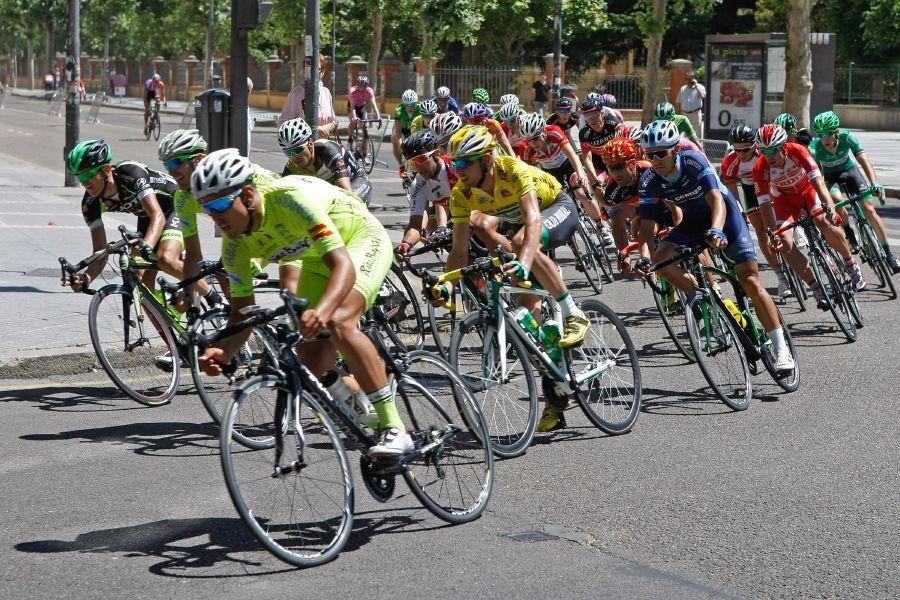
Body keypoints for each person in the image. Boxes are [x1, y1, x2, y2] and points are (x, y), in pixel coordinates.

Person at [193, 149, 410, 456]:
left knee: (339, 321)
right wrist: (224, 349)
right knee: (310, 359)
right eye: (207, 208)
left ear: (248, 194)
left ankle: (395, 429)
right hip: (317, 261)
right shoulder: (234, 246)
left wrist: (321, 312)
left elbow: (344, 266)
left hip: (360, 238)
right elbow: (241, 312)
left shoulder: (289, 199)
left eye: (219, 205)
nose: (215, 216)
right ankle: (364, 408)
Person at [438, 125, 591, 432]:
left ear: (487, 160)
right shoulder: (461, 194)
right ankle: (556, 394)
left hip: (555, 208)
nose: (459, 171)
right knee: (528, 324)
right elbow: (458, 250)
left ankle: (573, 311)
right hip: (520, 223)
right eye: (455, 164)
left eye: (465, 163)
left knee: (522, 244)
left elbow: (533, 220)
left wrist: (523, 262)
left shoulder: (513, 170)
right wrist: (446, 284)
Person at [635, 120, 796, 375]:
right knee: (661, 259)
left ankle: (781, 349)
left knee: (750, 281)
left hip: (725, 217)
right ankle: (707, 301)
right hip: (693, 223)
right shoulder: (647, 180)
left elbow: (716, 200)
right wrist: (643, 258)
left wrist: (718, 229)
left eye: (661, 153)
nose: (656, 160)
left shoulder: (693, 161)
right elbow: (646, 228)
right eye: (650, 155)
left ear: (675, 149)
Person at [156, 128, 284, 301]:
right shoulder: (183, 198)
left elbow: (271, 224)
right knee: (228, 277)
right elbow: (193, 255)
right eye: (166, 165)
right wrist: (188, 294)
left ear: (198, 159)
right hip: (244, 228)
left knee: (292, 291)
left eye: (175, 163)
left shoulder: (232, 180)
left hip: (281, 221)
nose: (170, 172)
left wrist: (258, 259)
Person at [753, 123, 866, 309]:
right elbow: (765, 204)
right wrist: (772, 232)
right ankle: (816, 287)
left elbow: (819, 184)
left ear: (782, 146)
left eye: (773, 150)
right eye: (763, 151)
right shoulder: (761, 168)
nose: (769, 156)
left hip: (808, 192)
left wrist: (830, 210)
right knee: (784, 242)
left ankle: (850, 263)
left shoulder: (798, 151)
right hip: (786, 201)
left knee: (823, 221)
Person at [64, 139, 184, 294]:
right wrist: (86, 278)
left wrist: (145, 247)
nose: (84, 182)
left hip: (175, 204)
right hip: (147, 216)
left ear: (106, 169)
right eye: (80, 177)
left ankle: (210, 295)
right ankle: (164, 316)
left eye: (88, 175)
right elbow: (100, 252)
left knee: (165, 259)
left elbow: (157, 216)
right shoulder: (90, 203)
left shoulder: (130, 173)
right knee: (141, 280)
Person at [808, 110, 900, 272]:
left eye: (828, 133)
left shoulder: (847, 137)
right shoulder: (815, 147)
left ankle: (888, 254)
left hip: (850, 172)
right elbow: (817, 175)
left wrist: (874, 182)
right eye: (820, 134)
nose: (825, 138)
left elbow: (864, 161)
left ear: (836, 131)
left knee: (870, 210)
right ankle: (849, 232)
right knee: (836, 199)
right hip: (831, 178)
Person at [720, 125, 792, 299]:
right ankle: (781, 277)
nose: (741, 154)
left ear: (754, 146)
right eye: (737, 150)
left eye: (745, 150)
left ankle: (791, 254)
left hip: (771, 184)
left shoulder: (764, 155)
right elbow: (733, 195)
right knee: (762, 232)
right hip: (750, 191)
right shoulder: (729, 163)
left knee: (779, 226)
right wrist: (740, 212)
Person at [518, 112, 602, 222]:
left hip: (567, 164)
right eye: (528, 140)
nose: (533, 143)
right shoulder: (525, 148)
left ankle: (601, 227)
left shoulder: (554, 132)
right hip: (549, 173)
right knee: (557, 205)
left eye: (536, 138)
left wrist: (581, 174)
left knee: (582, 194)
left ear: (543, 132)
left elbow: (572, 154)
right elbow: (528, 173)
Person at [278, 117, 372, 206]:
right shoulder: (291, 166)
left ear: (310, 143)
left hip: (355, 182)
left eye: (298, 150)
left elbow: (346, 194)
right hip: (329, 190)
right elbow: (280, 195)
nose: (293, 156)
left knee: (343, 206)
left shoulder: (328, 151)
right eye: (288, 152)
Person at [394, 129, 456, 256]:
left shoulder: (454, 167)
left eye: (421, 159)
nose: (417, 167)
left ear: (437, 154)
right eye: (412, 163)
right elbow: (415, 225)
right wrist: (405, 245)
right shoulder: (418, 183)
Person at [277, 56, 337, 139]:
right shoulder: (295, 94)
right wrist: (313, 130)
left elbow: (333, 121)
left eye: (318, 69)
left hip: (323, 147)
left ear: (323, 71)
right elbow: (283, 124)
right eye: (309, 69)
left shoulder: (326, 92)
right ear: (304, 71)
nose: (314, 72)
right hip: (304, 148)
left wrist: (328, 127)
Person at [346, 74, 381, 151]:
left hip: (361, 108)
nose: (362, 89)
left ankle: (364, 152)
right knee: (353, 122)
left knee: (365, 129)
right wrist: (354, 117)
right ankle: (350, 139)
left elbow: (374, 105)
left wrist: (378, 116)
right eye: (360, 86)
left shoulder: (369, 91)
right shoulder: (352, 91)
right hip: (352, 108)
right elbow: (352, 107)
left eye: (364, 87)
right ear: (357, 85)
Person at [392, 89, 421, 178]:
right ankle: (401, 166)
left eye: (412, 105)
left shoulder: (420, 108)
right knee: (394, 139)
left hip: (415, 129)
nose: (410, 108)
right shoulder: (399, 111)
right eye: (407, 105)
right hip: (402, 129)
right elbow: (398, 133)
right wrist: (401, 146)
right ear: (403, 104)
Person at [675, 72, 706, 138]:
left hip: (695, 113)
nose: (688, 81)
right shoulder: (683, 88)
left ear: (693, 79)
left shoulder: (700, 87)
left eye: (689, 79)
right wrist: (678, 113)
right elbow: (678, 102)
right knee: (686, 132)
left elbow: (702, 96)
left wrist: (696, 85)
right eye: (686, 79)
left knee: (697, 132)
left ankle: (698, 147)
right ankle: (688, 147)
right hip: (685, 114)